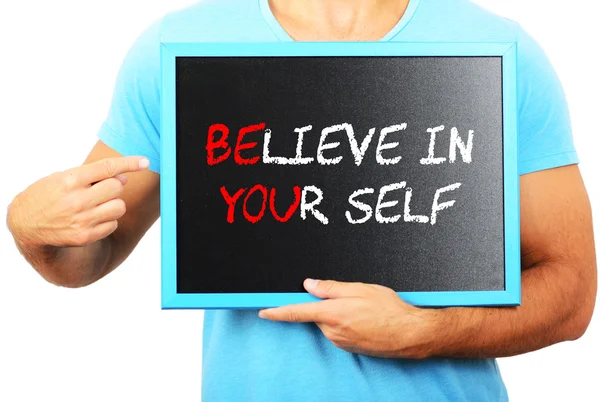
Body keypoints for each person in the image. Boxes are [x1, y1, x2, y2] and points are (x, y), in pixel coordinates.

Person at [6, 0, 597, 400]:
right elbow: (88, 258)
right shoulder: (180, 46)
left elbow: (571, 293)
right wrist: (31, 227)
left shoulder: (495, 48)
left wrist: (424, 332)